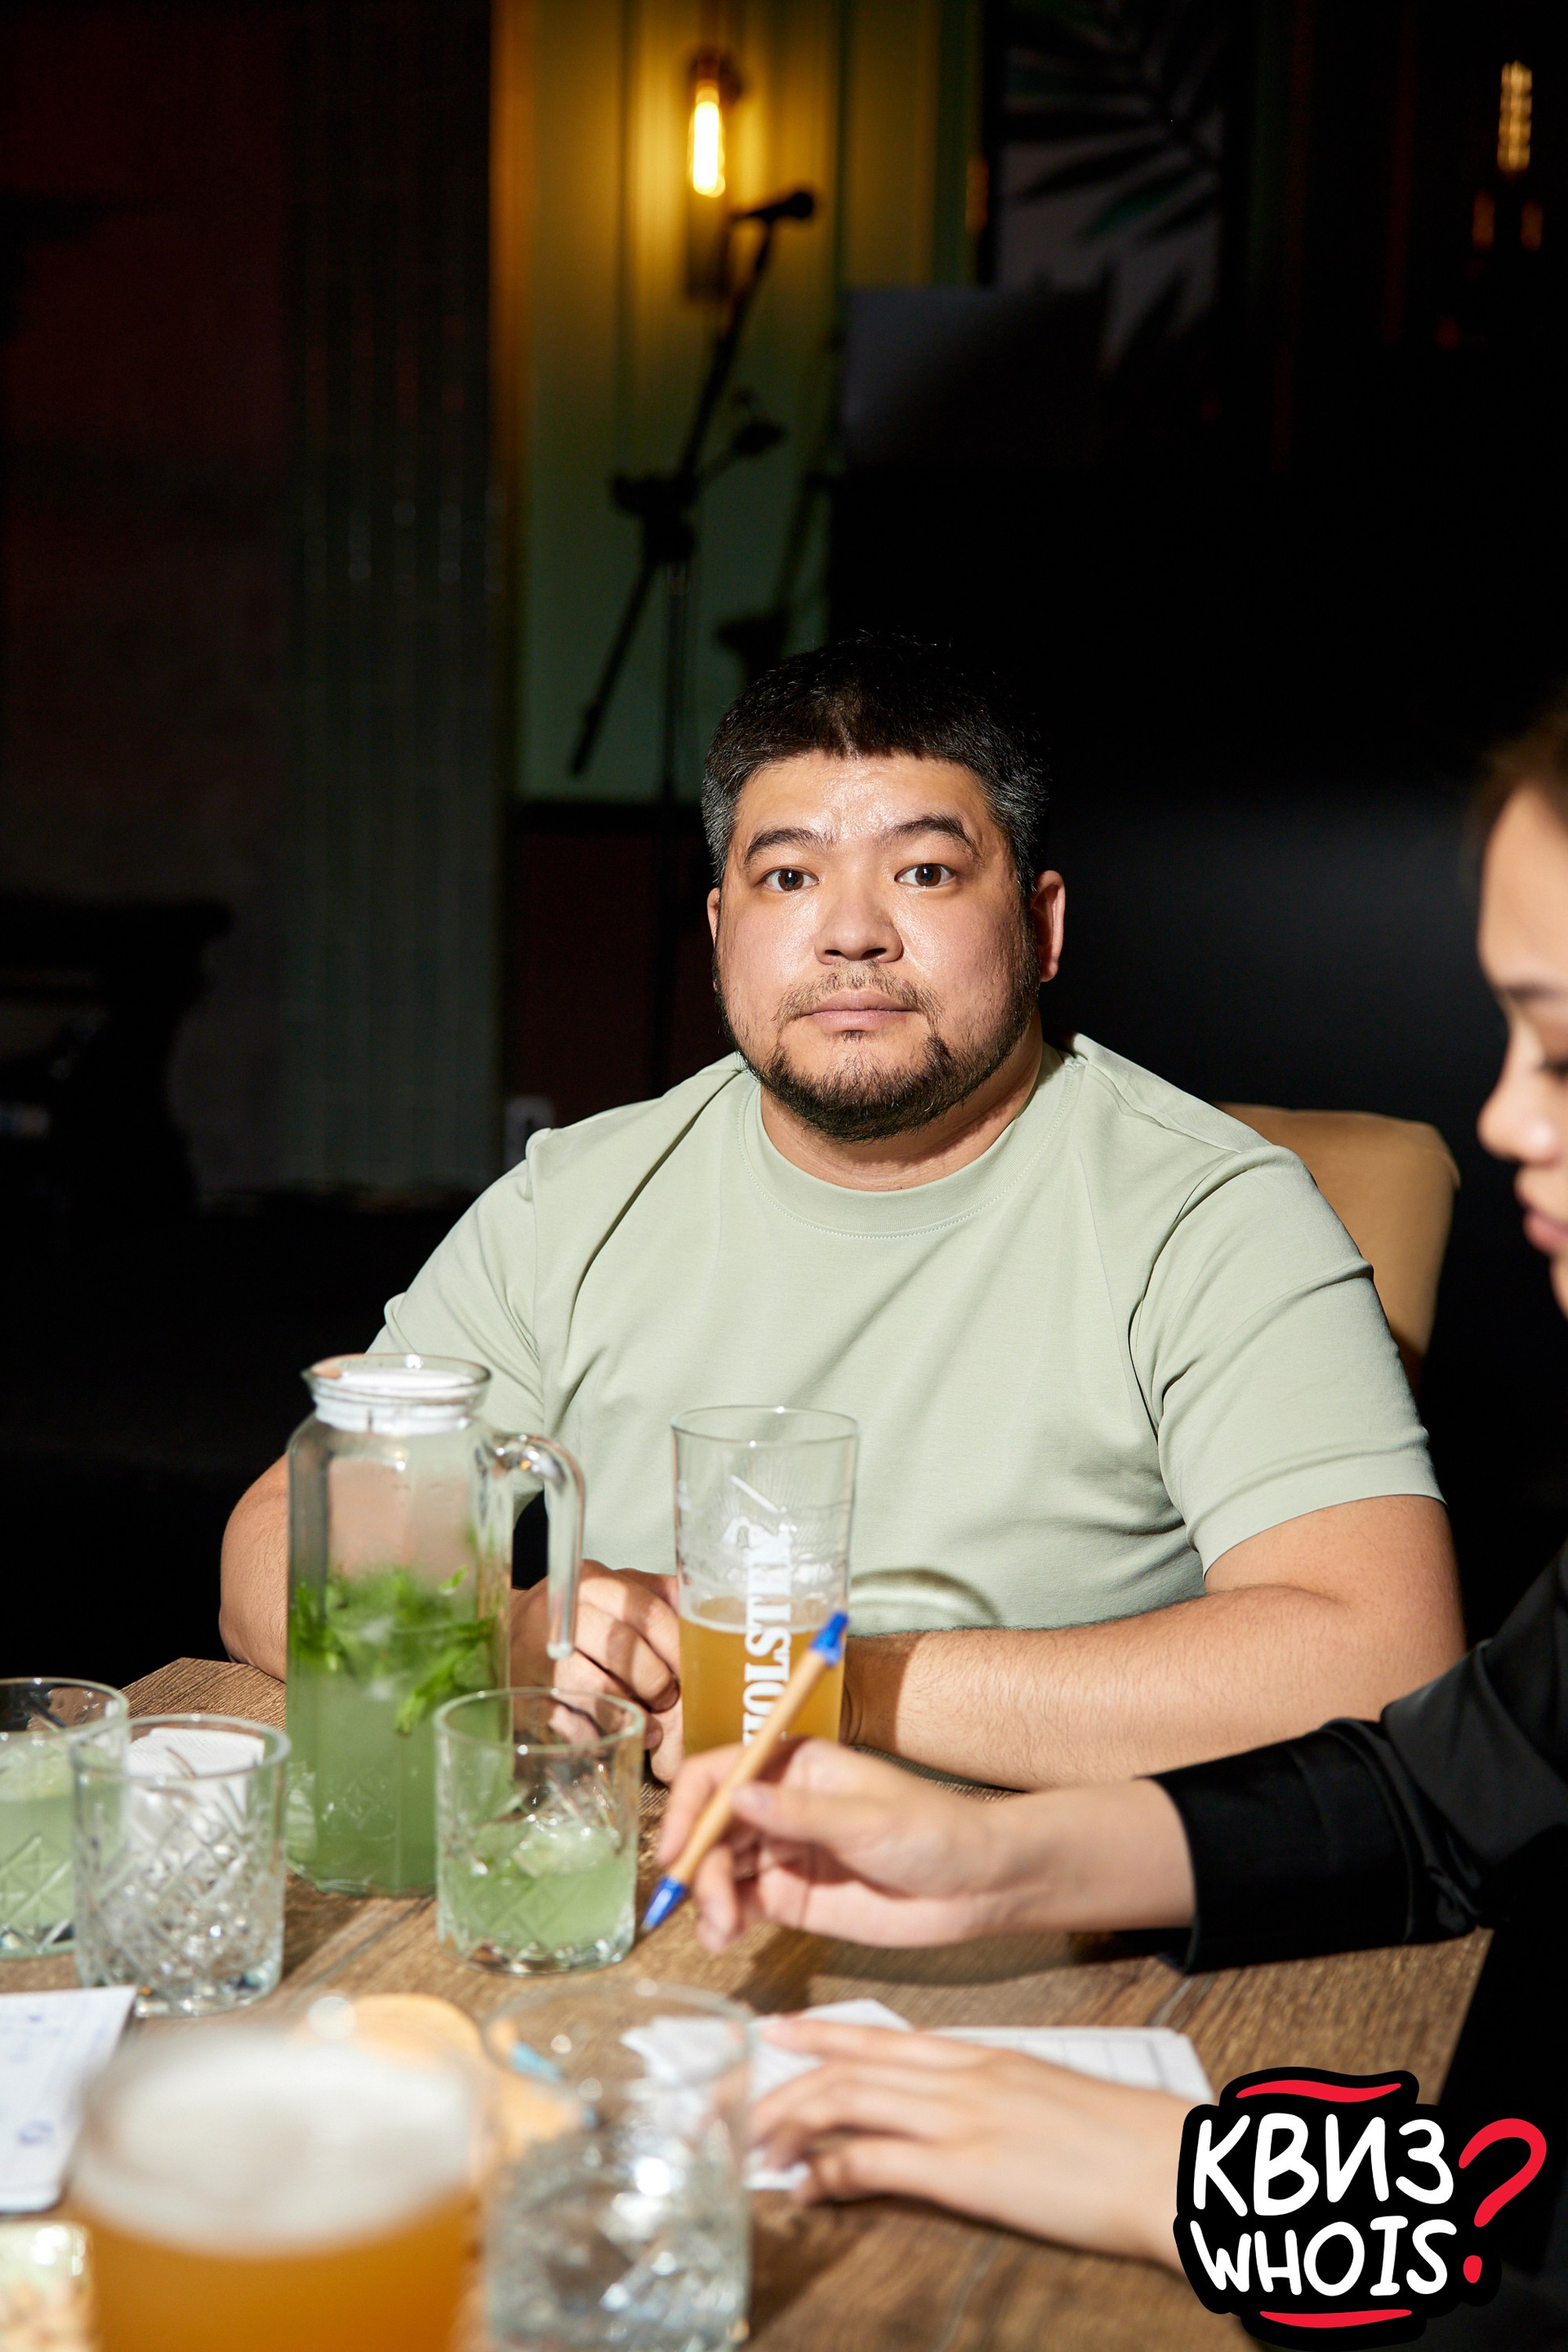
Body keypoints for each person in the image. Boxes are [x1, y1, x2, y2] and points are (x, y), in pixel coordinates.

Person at [655, 712, 1568, 2329]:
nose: (1503, 1120)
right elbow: (1445, 1798)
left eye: (1560, 1050)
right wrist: (997, 1861)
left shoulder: (1195, 1203)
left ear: (1041, 920)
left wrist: (1186, 2178)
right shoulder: (597, 1179)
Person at [220, 635, 1460, 1788]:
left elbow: (1386, 1658)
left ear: (1041, 926)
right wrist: (498, 1635)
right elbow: (277, 1545)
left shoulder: (1210, 1215)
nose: (852, 934)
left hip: (1025, 1900)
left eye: (925, 872)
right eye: (789, 876)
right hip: (628, 1871)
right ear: (721, 933)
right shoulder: (578, 1199)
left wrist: (816, 1685)